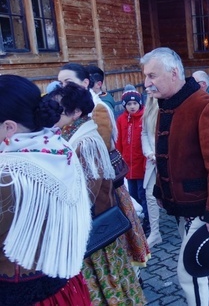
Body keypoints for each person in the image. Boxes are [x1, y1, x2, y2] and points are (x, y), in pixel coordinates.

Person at [141, 47, 209, 305]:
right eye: (145, 76)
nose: (146, 83)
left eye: (152, 75)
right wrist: (162, 192)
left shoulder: (206, 106)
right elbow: (169, 155)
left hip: (203, 206)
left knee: (188, 271)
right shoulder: (168, 103)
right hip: (183, 204)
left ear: (173, 73)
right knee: (199, 254)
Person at [49, 83, 146, 304]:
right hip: (90, 222)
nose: (54, 115)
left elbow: (88, 192)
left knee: (107, 280)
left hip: (95, 225)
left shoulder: (86, 140)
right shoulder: (73, 133)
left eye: (59, 110)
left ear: (76, 112)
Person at [0, 75, 91, 306]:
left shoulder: (8, 174)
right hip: (63, 284)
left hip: (25, 295)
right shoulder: (57, 148)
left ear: (9, 127)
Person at [58, 63, 150, 268]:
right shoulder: (69, 112)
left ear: (85, 82)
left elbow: (101, 150)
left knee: (112, 233)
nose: (63, 86)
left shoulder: (97, 109)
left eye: (68, 82)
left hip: (103, 186)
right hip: (92, 185)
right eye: (60, 82)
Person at [116, 87, 149, 232]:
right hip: (128, 167)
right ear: (124, 105)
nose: (132, 106)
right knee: (133, 195)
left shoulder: (144, 117)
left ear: (140, 103)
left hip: (141, 165)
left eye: (135, 103)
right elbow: (119, 141)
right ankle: (138, 220)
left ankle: (148, 221)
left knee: (143, 194)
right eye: (129, 104)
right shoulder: (122, 120)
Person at [141, 94, 163, 248]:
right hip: (152, 161)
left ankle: (185, 231)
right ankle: (155, 233)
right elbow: (144, 134)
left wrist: (161, 154)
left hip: (167, 160)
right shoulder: (147, 109)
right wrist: (149, 153)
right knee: (150, 196)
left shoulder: (167, 106)